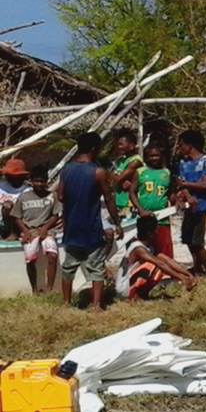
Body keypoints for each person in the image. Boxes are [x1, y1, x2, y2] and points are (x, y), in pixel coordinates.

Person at [58, 132, 123, 311]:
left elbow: (60, 195)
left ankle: (65, 303)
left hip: (71, 227)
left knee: (69, 267)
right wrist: (117, 222)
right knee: (95, 267)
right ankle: (96, 305)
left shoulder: (66, 170)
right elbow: (109, 199)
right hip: (91, 226)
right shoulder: (98, 172)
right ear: (95, 149)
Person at [116, 215, 197, 300]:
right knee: (154, 265)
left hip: (130, 284)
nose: (157, 233)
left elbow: (167, 259)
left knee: (160, 260)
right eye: (155, 230)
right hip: (124, 288)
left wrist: (187, 274)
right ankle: (135, 295)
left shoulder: (149, 247)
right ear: (149, 233)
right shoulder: (138, 248)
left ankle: (142, 294)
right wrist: (180, 278)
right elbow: (159, 263)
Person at [11, 164, 61, 293]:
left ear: (47, 182)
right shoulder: (24, 197)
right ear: (31, 182)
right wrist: (25, 231)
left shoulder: (52, 196)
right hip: (30, 231)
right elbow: (16, 217)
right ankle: (34, 289)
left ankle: (49, 288)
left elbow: (55, 216)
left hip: (47, 231)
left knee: (52, 255)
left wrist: (45, 228)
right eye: (36, 181)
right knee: (30, 259)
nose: (39, 184)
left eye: (42, 181)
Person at [175, 129, 206, 275]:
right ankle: (197, 267)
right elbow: (181, 183)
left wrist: (186, 186)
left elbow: (204, 184)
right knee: (188, 239)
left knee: (198, 242)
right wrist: (186, 194)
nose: (179, 148)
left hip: (202, 206)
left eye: (181, 145)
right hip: (188, 206)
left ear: (189, 146)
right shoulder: (183, 163)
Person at [129, 143, 174, 258]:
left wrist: (176, 202)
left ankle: (165, 274)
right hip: (144, 219)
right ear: (146, 157)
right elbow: (132, 192)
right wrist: (140, 210)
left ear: (162, 156)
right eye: (151, 156)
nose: (154, 158)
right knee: (145, 250)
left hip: (162, 218)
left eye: (157, 155)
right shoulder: (140, 172)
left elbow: (170, 193)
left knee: (164, 251)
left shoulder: (167, 173)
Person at [109, 128, 143, 219]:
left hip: (129, 204)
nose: (118, 147)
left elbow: (118, 178)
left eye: (121, 144)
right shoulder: (120, 160)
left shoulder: (135, 161)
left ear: (131, 146)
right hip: (119, 202)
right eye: (117, 144)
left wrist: (116, 179)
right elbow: (108, 177)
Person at [1, 158, 30, 241]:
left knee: (8, 206)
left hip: (16, 222)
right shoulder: (2, 185)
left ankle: (13, 233)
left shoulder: (27, 190)